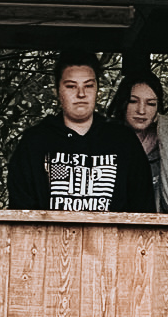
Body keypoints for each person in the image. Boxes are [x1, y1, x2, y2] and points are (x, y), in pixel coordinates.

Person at [8, 51, 154, 212]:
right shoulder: (34, 143)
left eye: (89, 85)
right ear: (57, 90)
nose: (81, 94)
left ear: (97, 88)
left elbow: (143, 209)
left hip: (111, 237)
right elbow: (20, 212)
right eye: (71, 86)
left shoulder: (123, 141)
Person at [105, 70, 168, 213]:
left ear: (158, 109)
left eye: (150, 103)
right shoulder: (105, 144)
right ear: (122, 102)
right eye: (133, 101)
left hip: (155, 233)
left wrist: (167, 135)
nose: (141, 110)